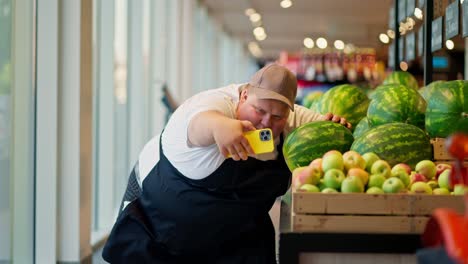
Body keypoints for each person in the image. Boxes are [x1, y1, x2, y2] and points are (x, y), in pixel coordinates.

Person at [102, 63, 351, 264]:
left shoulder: (284, 115)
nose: (266, 122)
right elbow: (198, 124)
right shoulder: (210, 105)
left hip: (234, 238)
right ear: (243, 95)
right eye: (259, 110)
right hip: (158, 229)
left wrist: (333, 124)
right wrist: (221, 127)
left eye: (277, 116)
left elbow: (325, 127)